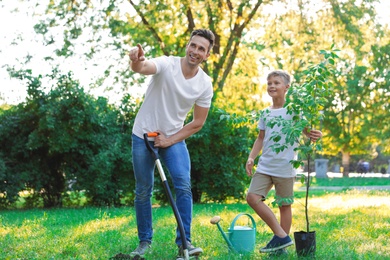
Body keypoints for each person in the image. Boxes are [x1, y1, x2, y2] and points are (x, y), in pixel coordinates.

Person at [128, 29, 215, 259]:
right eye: (193, 45)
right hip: (143, 135)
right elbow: (143, 67)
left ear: (207, 55)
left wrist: (169, 140)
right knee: (143, 189)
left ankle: (184, 243)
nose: (195, 51)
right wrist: (135, 61)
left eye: (201, 49)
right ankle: (144, 242)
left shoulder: (205, 84)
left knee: (183, 185)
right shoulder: (167, 64)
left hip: (172, 138)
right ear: (187, 45)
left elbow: (197, 122)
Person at [245, 70, 322, 254]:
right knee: (252, 197)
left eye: (276, 83)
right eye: (269, 82)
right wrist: (251, 157)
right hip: (265, 166)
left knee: (284, 205)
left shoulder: (295, 111)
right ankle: (281, 236)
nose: (272, 86)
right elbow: (260, 138)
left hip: (286, 168)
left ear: (286, 87)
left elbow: (308, 133)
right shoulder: (265, 113)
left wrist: (316, 135)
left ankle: (280, 248)